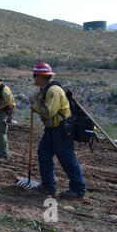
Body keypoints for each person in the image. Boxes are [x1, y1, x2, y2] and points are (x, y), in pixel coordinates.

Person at [29, 62, 86, 200]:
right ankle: (48, 186)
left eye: (35, 75)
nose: (33, 78)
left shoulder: (53, 91)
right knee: (43, 154)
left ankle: (78, 189)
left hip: (61, 131)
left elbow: (49, 112)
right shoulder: (45, 89)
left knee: (67, 159)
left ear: (41, 76)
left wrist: (34, 103)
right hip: (51, 130)